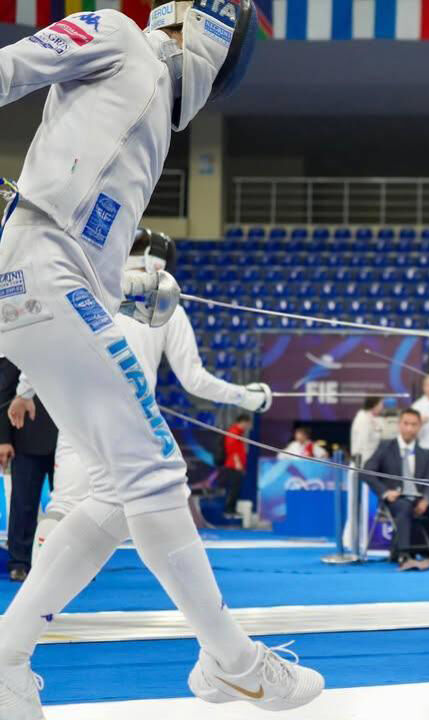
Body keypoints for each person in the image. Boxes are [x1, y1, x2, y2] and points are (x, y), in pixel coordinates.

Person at [0, 3, 324, 716]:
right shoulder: (119, 33)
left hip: (56, 285)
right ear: (202, 26)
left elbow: (88, 222)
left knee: (118, 494)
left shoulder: (146, 114)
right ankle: (234, 662)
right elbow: (10, 69)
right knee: (153, 471)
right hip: (42, 270)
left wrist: (125, 289)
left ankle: (7, 658)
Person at [13, 231, 272, 560]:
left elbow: (48, 342)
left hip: (77, 412)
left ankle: (43, 584)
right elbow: (194, 380)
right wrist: (246, 397)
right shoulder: (168, 307)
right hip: (130, 418)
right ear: (160, 264)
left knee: (65, 504)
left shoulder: (90, 291)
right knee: (158, 504)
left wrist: (24, 391)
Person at [365, 409, 429, 569]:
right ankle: (404, 554)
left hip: (418, 499)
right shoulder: (385, 447)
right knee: (404, 506)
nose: (409, 428)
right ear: (399, 424)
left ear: (419, 427)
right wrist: (385, 492)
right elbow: (367, 472)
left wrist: (426, 500)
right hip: (395, 500)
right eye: (406, 424)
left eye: (414, 425)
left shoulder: (423, 453)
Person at [0, 359, 58, 582]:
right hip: (25, 437)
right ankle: (19, 562)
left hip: (69, 440)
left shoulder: (73, 351)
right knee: (23, 503)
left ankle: (71, 562)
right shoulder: (21, 351)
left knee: (71, 504)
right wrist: (3, 439)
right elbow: (4, 393)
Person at [344, 396, 385, 548]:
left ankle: (363, 539)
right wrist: (364, 466)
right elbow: (361, 445)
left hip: (370, 467)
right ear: (374, 405)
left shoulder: (373, 419)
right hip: (360, 466)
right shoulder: (362, 419)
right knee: (355, 505)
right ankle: (351, 540)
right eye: (381, 404)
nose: (382, 407)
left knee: (364, 506)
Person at [222, 414, 254, 517]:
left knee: (236, 488)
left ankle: (231, 509)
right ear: (244, 422)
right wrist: (237, 463)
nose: (249, 426)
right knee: (234, 489)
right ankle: (229, 509)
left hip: (237, 465)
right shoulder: (233, 432)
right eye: (249, 423)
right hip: (233, 466)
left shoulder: (239, 433)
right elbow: (231, 449)